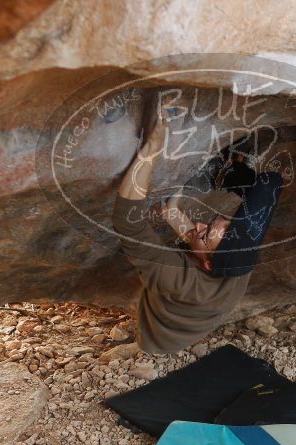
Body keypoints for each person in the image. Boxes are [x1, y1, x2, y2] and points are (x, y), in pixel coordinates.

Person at [113, 105, 284, 354]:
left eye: (204, 234)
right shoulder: (241, 255)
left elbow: (126, 221)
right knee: (262, 189)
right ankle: (227, 173)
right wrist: (174, 215)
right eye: (217, 222)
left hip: (157, 337)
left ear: (205, 265)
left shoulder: (176, 279)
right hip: (204, 293)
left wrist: (154, 144)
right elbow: (272, 185)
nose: (201, 224)